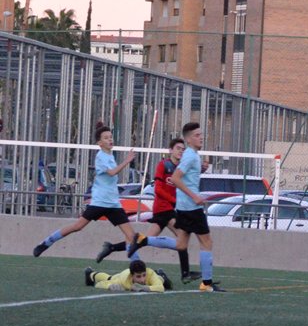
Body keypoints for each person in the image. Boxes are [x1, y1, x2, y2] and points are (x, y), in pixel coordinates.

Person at [98, 137, 203, 284]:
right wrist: (174, 201)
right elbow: (158, 189)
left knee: (145, 239)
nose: (181, 151)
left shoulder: (180, 169)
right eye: (178, 148)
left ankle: (112, 247)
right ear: (170, 150)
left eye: (182, 149)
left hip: (169, 209)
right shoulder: (164, 165)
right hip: (163, 209)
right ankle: (185, 274)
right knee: (182, 237)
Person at [33, 124, 142, 259]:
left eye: (110, 137)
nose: (110, 140)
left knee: (131, 236)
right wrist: (127, 160)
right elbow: (112, 172)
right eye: (106, 138)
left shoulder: (110, 156)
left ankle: (136, 266)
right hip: (99, 202)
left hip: (113, 204)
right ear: (100, 143)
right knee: (77, 226)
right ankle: (46, 243)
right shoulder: (100, 157)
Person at [166, 122, 224, 292]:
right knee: (206, 242)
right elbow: (176, 178)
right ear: (189, 139)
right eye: (197, 135)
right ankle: (206, 283)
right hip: (191, 207)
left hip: (184, 206)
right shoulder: (190, 155)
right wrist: (195, 196)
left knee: (181, 244)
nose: (201, 138)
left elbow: (186, 178)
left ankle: (144, 240)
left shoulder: (192, 156)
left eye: (201, 134)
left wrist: (201, 170)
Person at [84, 260, 172, 292]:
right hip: (119, 276)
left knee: (164, 282)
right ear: (132, 275)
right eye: (138, 276)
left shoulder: (150, 273)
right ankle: (90, 273)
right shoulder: (123, 281)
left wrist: (144, 288)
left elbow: (160, 288)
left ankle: (161, 274)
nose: (142, 280)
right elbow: (100, 284)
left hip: (155, 277)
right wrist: (110, 286)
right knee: (110, 278)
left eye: (143, 275)